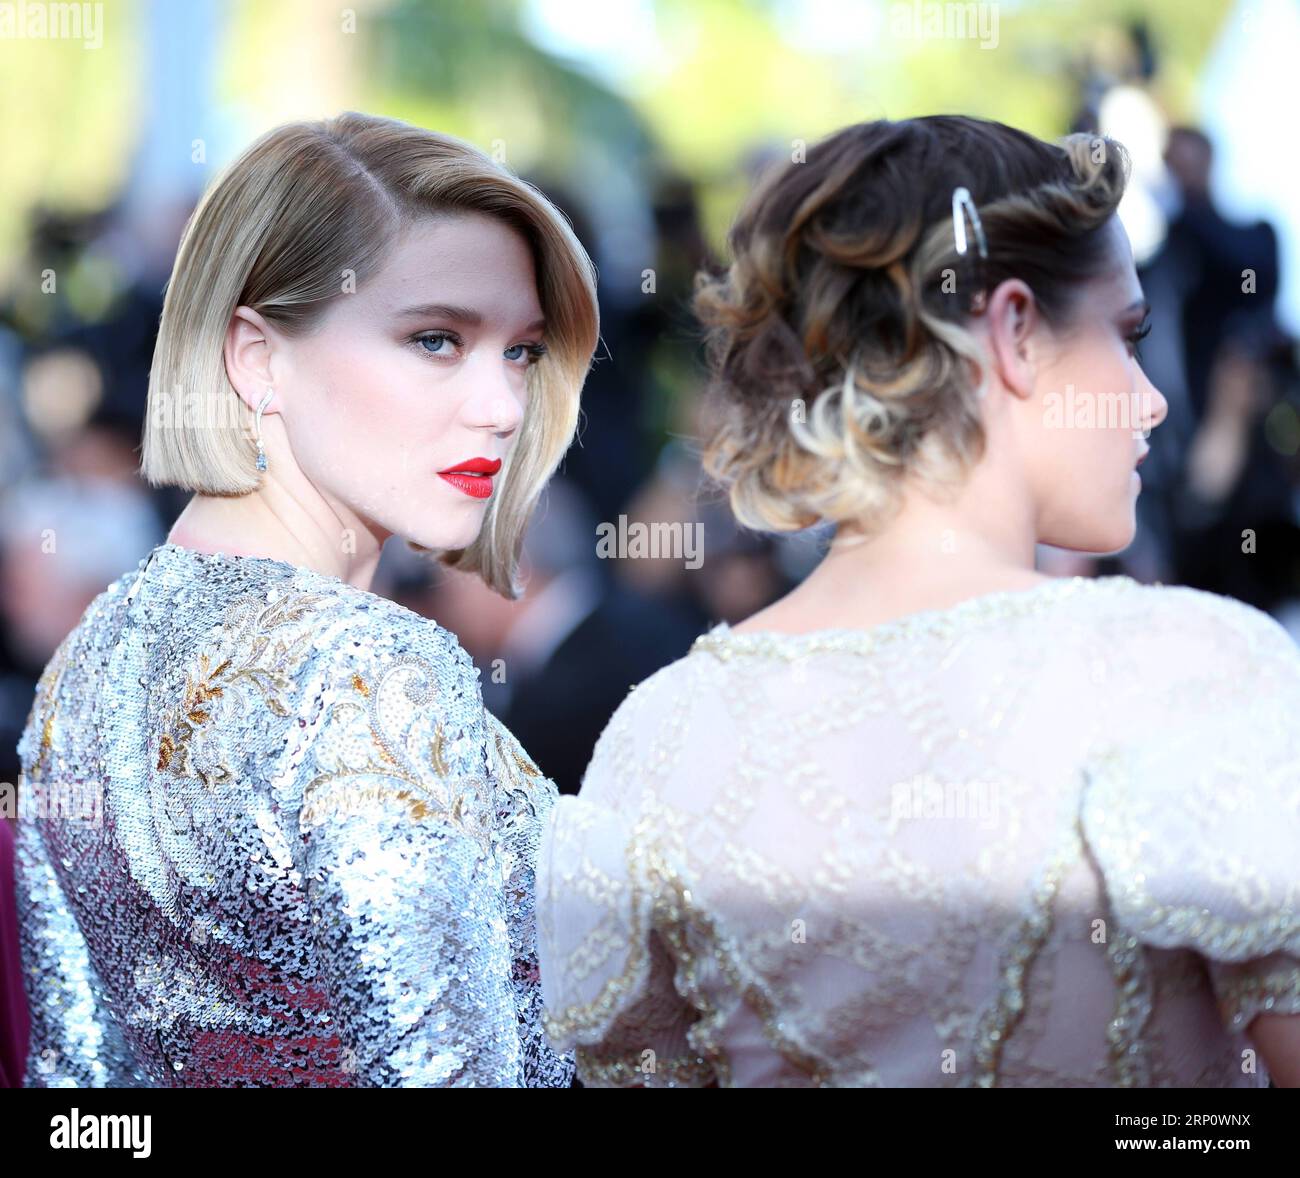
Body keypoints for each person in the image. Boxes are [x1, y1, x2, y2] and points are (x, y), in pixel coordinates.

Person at [536, 115, 1300, 1087]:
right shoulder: (1192, 668)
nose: (1149, 398)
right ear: (1013, 329)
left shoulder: (656, 738)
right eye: (1127, 334)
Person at [15, 110, 599, 1087]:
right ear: (257, 355)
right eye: (435, 339)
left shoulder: (83, 662)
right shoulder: (366, 673)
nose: (501, 405)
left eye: (522, 350)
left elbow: (74, 1089)